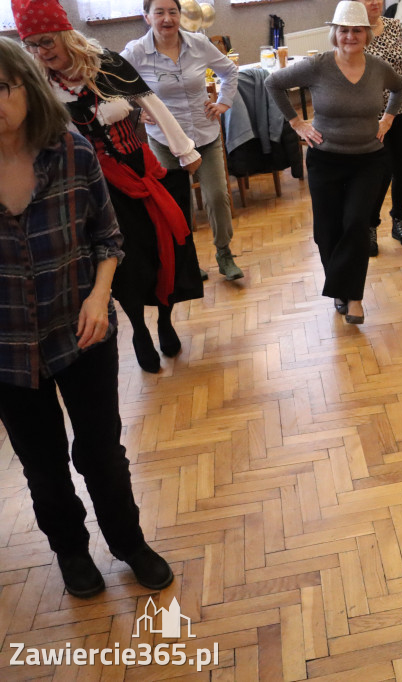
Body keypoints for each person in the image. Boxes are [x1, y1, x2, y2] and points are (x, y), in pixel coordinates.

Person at [0, 37, 173, 598]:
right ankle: (71, 553)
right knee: (42, 464)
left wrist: (100, 297)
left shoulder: (70, 150)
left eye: (2, 88)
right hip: (8, 348)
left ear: (27, 86)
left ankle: (129, 543)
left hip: (84, 331)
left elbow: (107, 236)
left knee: (101, 450)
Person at [14, 0, 205, 375]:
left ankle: (165, 320)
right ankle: (138, 331)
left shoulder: (108, 64)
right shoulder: (41, 85)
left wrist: (184, 149)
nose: (42, 52)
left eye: (47, 41)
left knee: (164, 249)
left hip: (139, 172)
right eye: (32, 45)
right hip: (91, 188)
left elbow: (151, 102)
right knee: (121, 266)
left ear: (66, 34)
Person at [266, 1, 402, 324]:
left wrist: (387, 119)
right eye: (344, 30)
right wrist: (297, 123)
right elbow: (273, 83)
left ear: (366, 34)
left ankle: (353, 297)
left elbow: (398, 89)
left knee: (356, 223)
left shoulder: (378, 67)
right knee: (326, 231)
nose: (350, 36)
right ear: (335, 33)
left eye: (357, 30)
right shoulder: (318, 66)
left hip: (368, 159)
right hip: (325, 160)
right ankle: (340, 291)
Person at [122, 0, 243, 281]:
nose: (167, 18)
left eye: (172, 11)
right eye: (159, 12)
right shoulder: (136, 51)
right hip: (166, 141)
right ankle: (187, 261)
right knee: (177, 203)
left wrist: (223, 103)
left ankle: (224, 254)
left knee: (217, 196)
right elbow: (108, 84)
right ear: (147, 17)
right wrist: (137, 114)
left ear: (180, 15)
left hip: (205, 134)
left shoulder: (198, 43)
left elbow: (230, 71)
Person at [360, 0, 402, 255]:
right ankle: (370, 227)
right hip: (372, 115)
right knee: (379, 173)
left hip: (400, 109)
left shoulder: (394, 25)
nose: (374, 2)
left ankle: (399, 221)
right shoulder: (354, 31)